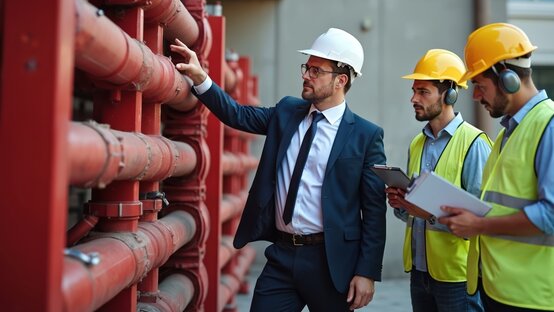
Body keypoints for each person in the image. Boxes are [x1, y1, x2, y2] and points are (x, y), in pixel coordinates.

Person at [170, 28, 387, 311]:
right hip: (283, 256)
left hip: (332, 262)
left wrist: (367, 272)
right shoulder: (287, 112)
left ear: (340, 80)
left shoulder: (366, 135)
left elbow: (374, 211)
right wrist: (201, 78)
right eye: (306, 67)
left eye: (316, 70)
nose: (306, 75)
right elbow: (238, 114)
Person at [439, 23, 554, 311]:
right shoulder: (507, 133)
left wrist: (479, 224)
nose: (475, 95)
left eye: (479, 85)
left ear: (508, 79)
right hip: (499, 290)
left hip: (533, 297)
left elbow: (551, 214)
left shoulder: (548, 125)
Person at [387, 49, 491, 312]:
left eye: (423, 92)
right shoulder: (416, 143)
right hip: (419, 273)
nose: (413, 98)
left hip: (456, 277)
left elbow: (480, 221)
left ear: (450, 94)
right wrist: (401, 205)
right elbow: (412, 214)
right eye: (414, 91)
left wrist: (427, 213)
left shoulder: (474, 144)